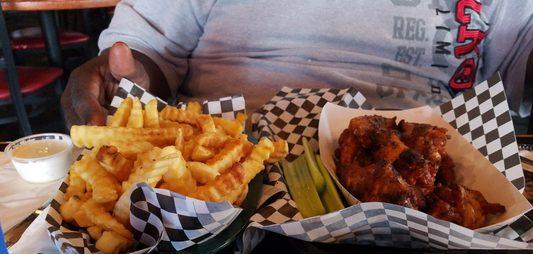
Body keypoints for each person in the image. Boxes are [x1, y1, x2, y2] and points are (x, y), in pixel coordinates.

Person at [62, 0, 532, 128]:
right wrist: (128, 79)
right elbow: (149, 51)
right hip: (219, 197)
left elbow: (522, 60)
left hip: (432, 201)